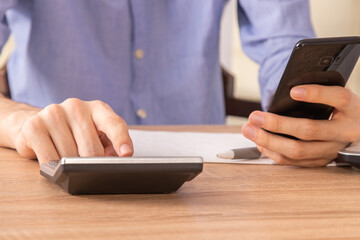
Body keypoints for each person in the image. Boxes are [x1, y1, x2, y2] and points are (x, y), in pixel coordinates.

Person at [0, 0, 358, 167]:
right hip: (43, 170)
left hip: (206, 185)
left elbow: (283, 41)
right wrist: (17, 120)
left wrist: (309, 113)